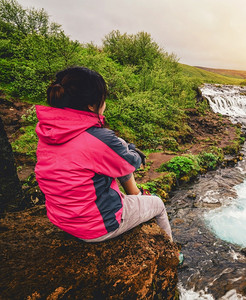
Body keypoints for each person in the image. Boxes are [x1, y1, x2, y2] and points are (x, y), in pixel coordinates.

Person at [35, 66, 175, 247]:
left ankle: (135, 194)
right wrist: (134, 151)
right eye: (103, 99)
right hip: (97, 225)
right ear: (92, 105)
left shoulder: (48, 132)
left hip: (62, 220)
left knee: (117, 151)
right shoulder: (100, 138)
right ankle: (171, 251)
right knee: (157, 204)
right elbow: (131, 163)